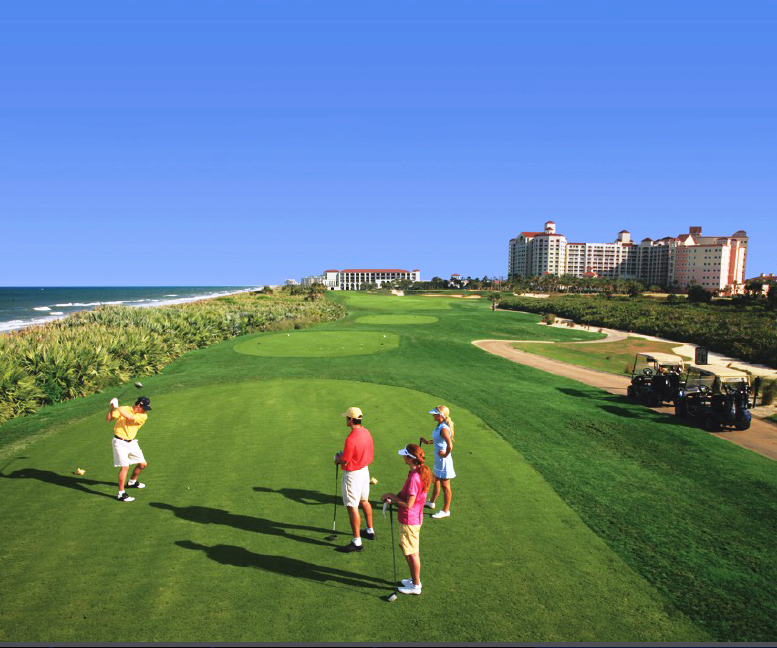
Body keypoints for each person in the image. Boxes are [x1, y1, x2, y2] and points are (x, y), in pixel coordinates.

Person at [381, 443, 431, 595]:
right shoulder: (417, 472)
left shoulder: (414, 478)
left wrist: (391, 497)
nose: (403, 457)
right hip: (413, 518)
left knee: (412, 553)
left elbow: (408, 504)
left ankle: (416, 585)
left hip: (410, 519)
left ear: (410, 458)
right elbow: (405, 495)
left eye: (405, 455)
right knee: (407, 549)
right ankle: (413, 579)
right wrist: (394, 496)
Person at [334, 406, 375, 552]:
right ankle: (370, 530)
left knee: (352, 506)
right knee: (364, 501)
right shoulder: (366, 432)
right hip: (365, 471)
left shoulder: (351, 439)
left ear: (351, 419)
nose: (346, 419)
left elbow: (344, 461)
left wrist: (337, 458)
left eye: (347, 417)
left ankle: (357, 541)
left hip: (353, 475)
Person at [106, 396, 152, 502]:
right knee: (125, 467)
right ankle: (121, 494)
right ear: (138, 405)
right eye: (144, 407)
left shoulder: (143, 416)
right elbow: (109, 418)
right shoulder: (124, 408)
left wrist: (117, 407)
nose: (145, 410)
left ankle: (132, 482)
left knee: (142, 464)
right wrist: (112, 407)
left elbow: (130, 417)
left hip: (131, 443)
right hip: (119, 442)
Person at [419, 405, 455, 519]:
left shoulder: (444, 428)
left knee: (445, 486)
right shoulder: (439, 426)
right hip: (439, 460)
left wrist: (445, 454)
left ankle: (446, 510)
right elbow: (437, 440)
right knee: (436, 481)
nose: (432, 415)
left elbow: (450, 445)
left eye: (434, 414)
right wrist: (426, 442)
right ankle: (432, 502)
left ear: (440, 415)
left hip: (444, 461)